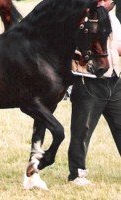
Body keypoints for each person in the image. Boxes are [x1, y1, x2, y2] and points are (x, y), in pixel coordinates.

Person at [68, 0, 121, 186]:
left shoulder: (113, 19)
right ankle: (77, 174)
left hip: (115, 81)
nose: (108, 1)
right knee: (82, 130)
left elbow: (116, 48)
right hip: (89, 82)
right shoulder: (80, 17)